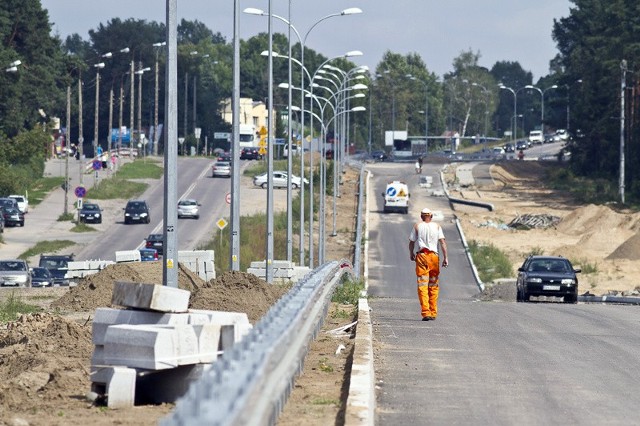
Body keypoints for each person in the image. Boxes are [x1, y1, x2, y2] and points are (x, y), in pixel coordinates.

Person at [409, 207, 448, 321]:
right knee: (433, 285)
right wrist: (446, 258)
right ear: (431, 216)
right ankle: (433, 312)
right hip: (434, 258)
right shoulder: (437, 226)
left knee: (422, 285)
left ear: (421, 217)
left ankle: (426, 312)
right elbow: (442, 242)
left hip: (422, 257)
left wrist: (411, 253)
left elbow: (411, 242)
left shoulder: (417, 226)